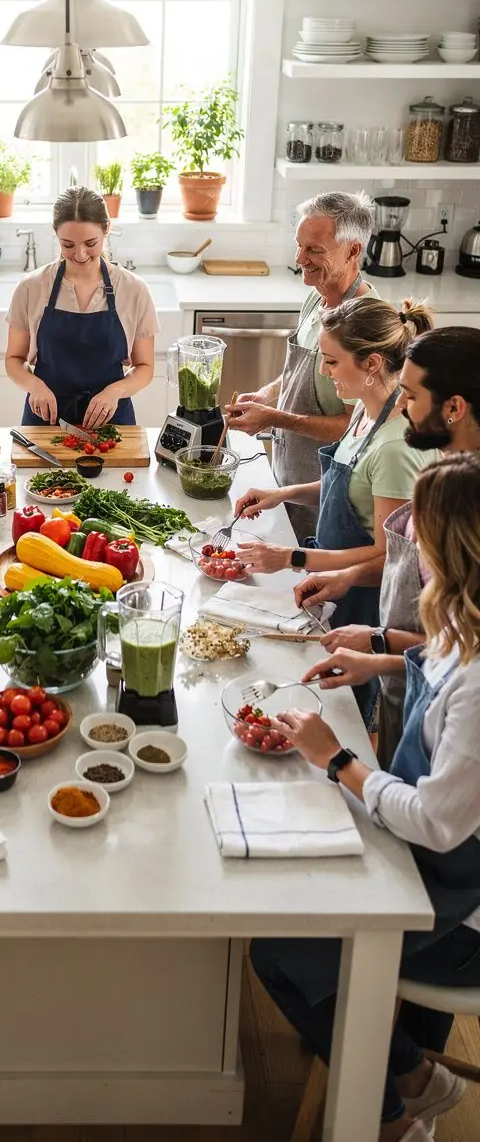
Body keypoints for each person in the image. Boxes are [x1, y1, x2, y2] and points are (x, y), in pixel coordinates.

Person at [251, 453, 480, 1142]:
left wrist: (337, 759)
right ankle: (414, 1076)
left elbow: (439, 825)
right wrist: (379, 653)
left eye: (420, 537)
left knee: (279, 952)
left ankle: (388, 1120)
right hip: (417, 849)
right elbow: (437, 659)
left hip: (455, 892)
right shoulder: (461, 622)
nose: (408, 547)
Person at [234, 297, 439, 720]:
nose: (324, 374)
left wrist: (291, 557)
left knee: (347, 716)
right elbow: (344, 488)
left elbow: (386, 557)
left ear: (371, 364)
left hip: (362, 601)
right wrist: (284, 493)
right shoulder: (367, 415)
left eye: (331, 362)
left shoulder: (396, 446)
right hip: (329, 584)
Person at [294, 325, 480, 762]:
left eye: (412, 396)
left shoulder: (463, 503)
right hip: (415, 679)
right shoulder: (445, 478)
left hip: (449, 717)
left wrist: (380, 645)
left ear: (454, 407)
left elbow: (466, 657)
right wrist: (379, 644)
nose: (399, 404)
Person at [227, 192, 376, 539]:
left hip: (327, 494)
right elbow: (298, 373)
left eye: (314, 250)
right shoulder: (317, 296)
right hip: (290, 477)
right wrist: (266, 396)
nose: (300, 259)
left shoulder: (365, 325)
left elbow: (355, 428)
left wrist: (276, 418)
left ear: (353, 251)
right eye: (299, 246)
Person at [4, 185, 158, 429]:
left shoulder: (133, 289)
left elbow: (145, 367)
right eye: (68, 245)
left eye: (90, 243)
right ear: (55, 234)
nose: (80, 254)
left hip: (112, 423)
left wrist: (116, 391)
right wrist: (35, 386)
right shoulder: (31, 287)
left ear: (106, 229)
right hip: (45, 422)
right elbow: (13, 359)